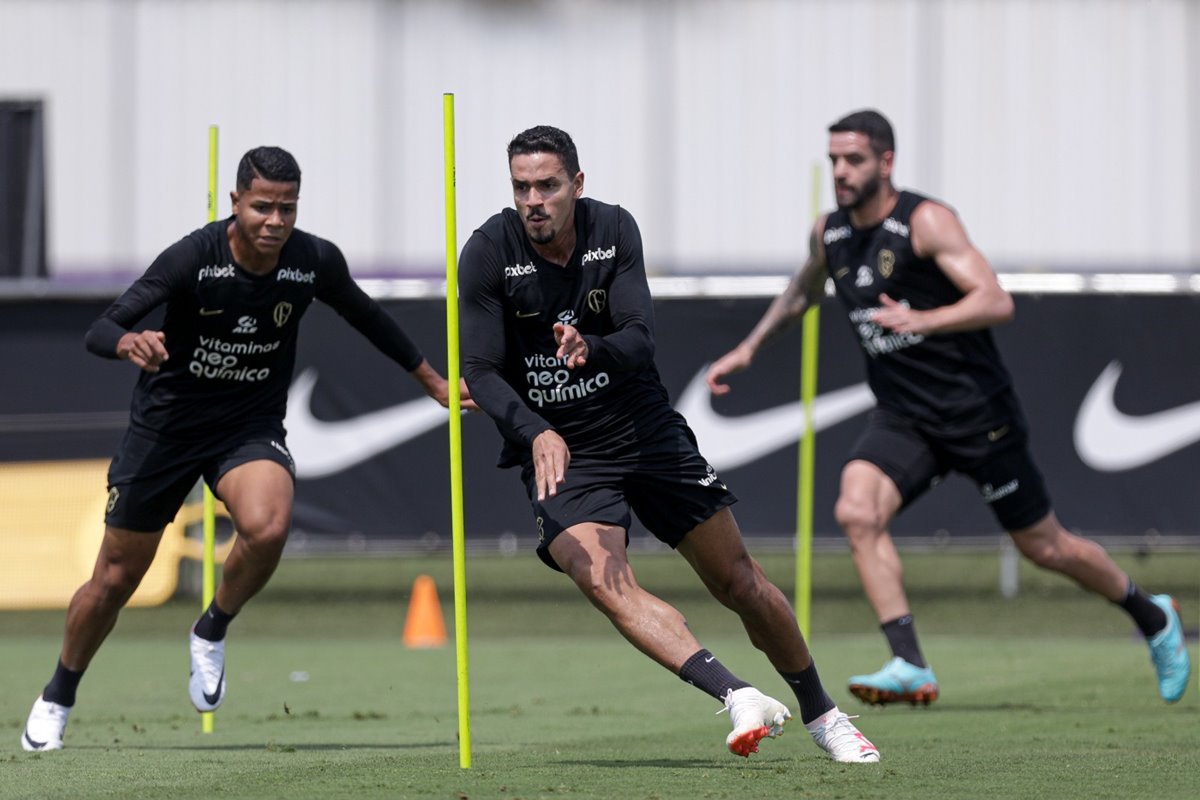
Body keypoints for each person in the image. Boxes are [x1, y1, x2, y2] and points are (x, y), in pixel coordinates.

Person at [706, 109, 1191, 708]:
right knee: (857, 511)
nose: (840, 171)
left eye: (853, 159)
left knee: (1044, 547)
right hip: (904, 417)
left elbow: (995, 299)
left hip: (976, 413)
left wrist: (923, 319)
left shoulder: (926, 221)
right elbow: (804, 290)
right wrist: (748, 350)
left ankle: (1152, 614)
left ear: (885, 162)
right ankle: (909, 663)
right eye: (833, 159)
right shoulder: (828, 232)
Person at [21, 146, 473, 751]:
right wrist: (129, 342)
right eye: (262, 206)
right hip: (166, 430)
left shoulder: (311, 260)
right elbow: (100, 329)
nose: (275, 221)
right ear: (236, 203)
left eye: (287, 208)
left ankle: (211, 629)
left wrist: (433, 380)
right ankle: (58, 693)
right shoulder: (194, 257)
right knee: (115, 579)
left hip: (246, 428)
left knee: (268, 525)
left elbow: (368, 317)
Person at [458, 125, 879, 763]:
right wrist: (535, 429)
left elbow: (639, 339)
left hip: (642, 428)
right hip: (564, 450)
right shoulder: (489, 251)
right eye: (521, 187)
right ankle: (737, 694)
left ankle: (824, 714)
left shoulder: (614, 230)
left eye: (547, 185)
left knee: (739, 581)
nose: (533, 200)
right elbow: (481, 371)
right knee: (599, 578)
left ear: (577, 183)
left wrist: (590, 347)